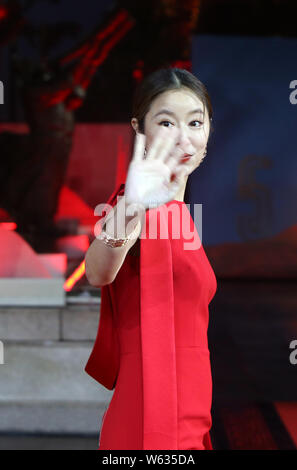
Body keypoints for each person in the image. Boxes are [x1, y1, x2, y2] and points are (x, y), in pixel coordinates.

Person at [84, 67, 217, 450]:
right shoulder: (136, 205)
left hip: (190, 412)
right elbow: (98, 271)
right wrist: (132, 207)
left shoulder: (179, 212)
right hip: (153, 416)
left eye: (195, 121)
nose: (183, 136)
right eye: (165, 122)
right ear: (139, 129)